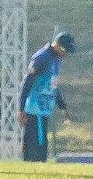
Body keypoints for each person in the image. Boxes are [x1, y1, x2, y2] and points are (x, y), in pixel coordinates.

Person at [17, 29, 76, 163]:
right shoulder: (41, 58)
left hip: (44, 110)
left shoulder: (56, 60)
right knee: (35, 146)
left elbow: (53, 86)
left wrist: (63, 107)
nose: (64, 54)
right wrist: (21, 108)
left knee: (42, 145)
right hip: (34, 109)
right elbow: (27, 83)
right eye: (64, 50)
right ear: (57, 45)